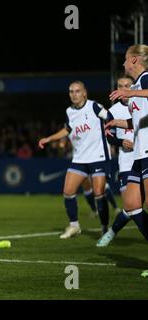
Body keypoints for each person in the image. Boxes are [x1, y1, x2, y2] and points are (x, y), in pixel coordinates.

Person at [38, 81, 111, 239]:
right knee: (68, 192)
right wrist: (49, 139)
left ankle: (105, 227)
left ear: (85, 93)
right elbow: (67, 129)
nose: (74, 94)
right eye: (71, 91)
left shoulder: (94, 106)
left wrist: (113, 137)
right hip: (79, 158)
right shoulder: (69, 111)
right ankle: (74, 226)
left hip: (98, 157)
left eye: (77, 91)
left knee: (99, 193)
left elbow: (110, 118)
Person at [104, 45, 148, 278]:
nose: (122, 65)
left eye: (124, 60)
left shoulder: (145, 79)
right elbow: (136, 121)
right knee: (132, 204)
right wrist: (117, 124)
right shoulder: (139, 86)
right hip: (140, 155)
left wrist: (130, 93)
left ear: (133, 59)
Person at [97, 75, 135, 247]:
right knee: (130, 205)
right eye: (120, 86)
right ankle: (112, 232)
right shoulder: (113, 111)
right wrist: (121, 142)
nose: (124, 89)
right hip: (127, 162)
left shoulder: (143, 105)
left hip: (145, 158)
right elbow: (110, 138)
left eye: (127, 85)